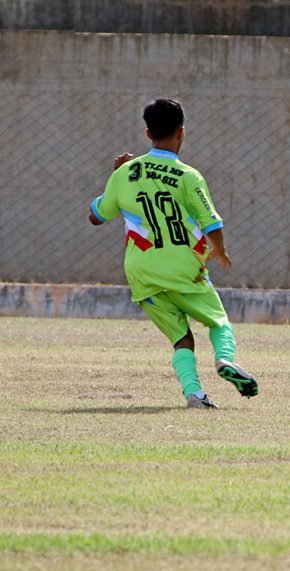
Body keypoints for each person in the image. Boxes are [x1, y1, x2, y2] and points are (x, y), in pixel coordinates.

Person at [88, 98, 259, 409]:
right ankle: (224, 360)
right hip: (184, 268)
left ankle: (194, 394)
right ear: (181, 133)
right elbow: (211, 222)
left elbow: (97, 216)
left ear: (147, 132)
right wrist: (219, 251)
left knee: (182, 338)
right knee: (218, 322)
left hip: (142, 272)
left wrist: (115, 176)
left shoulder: (126, 172)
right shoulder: (188, 176)